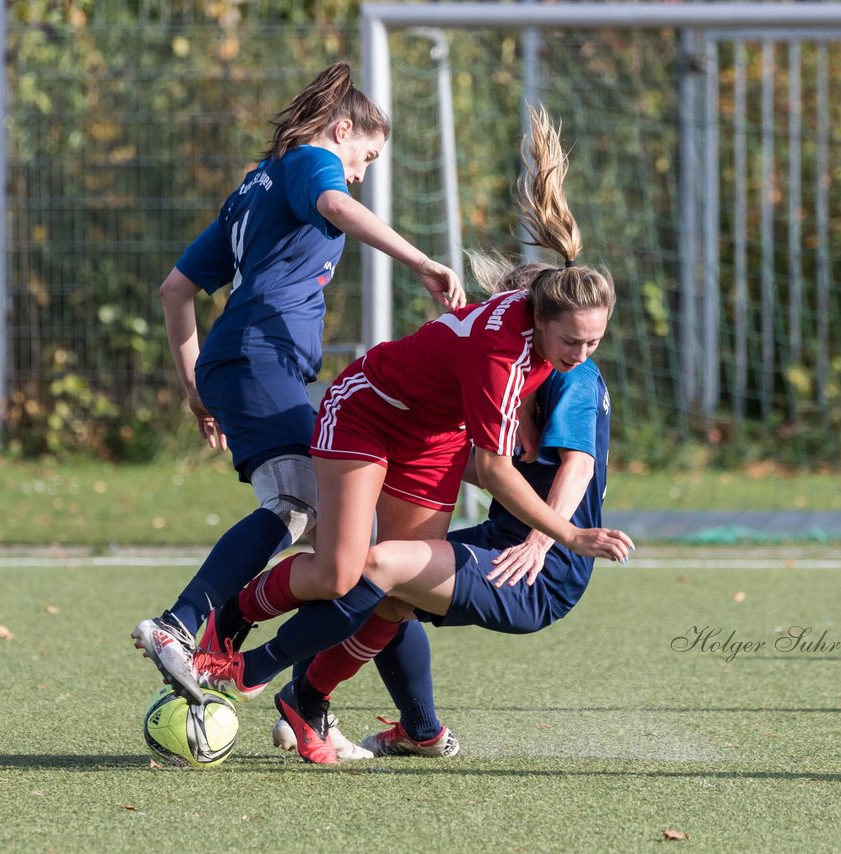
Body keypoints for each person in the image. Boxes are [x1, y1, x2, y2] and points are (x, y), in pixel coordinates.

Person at [178, 107, 635, 761]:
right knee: (359, 573)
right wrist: (561, 532)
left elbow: (569, 464)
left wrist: (547, 536)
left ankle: (297, 690)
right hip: (374, 415)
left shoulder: (566, 368)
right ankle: (248, 650)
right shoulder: (508, 350)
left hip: (513, 537)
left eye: (594, 340)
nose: (584, 353)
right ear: (539, 314)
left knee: (380, 579)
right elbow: (494, 464)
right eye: (574, 340)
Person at [132, 62, 464, 700]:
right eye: (364, 156)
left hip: (248, 366)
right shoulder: (312, 160)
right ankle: (182, 625)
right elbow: (336, 201)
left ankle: (312, 702)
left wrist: (196, 388)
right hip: (260, 360)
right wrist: (420, 261)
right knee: (297, 504)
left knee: (352, 556)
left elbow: (176, 290)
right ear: (340, 130)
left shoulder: (252, 187)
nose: (361, 173)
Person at [269, 356, 614, 762]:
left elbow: (579, 467)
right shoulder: (514, 358)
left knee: (372, 570)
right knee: (364, 582)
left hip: (543, 570)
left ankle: (288, 687)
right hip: (500, 539)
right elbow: (491, 465)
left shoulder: (572, 370)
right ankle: (417, 730)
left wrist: (540, 542)